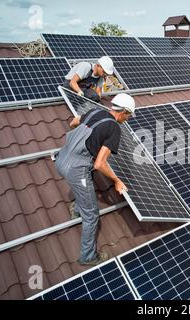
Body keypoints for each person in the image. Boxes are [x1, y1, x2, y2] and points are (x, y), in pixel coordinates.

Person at [54, 93, 136, 266]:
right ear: (123, 113)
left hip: (61, 157)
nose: (128, 119)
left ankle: (76, 209)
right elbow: (100, 164)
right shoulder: (114, 128)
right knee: (91, 215)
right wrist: (116, 180)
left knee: (88, 174)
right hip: (75, 170)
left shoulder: (94, 112)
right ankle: (88, 256)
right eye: (129, 115)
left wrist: (76, 147)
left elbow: (74, 123)